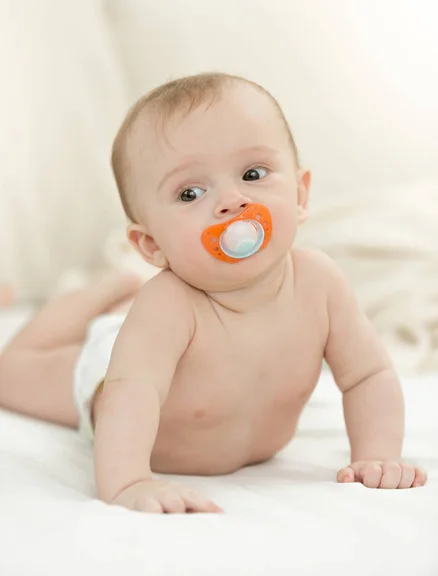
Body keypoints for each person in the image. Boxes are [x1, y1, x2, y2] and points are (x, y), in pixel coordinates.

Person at [0, 73, 427, 514]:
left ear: (300, 195)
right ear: (152, 245)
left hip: (170, 367)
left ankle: (114, 291)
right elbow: (131, 393)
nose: (232, 201)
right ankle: (101, 291)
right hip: (110, 367)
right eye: (190, 192)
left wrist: (377, 454)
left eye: (253, 173)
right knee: (9, 374)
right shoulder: (167, 305)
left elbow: (368, 375)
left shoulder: (321, 283)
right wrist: (128, 482)